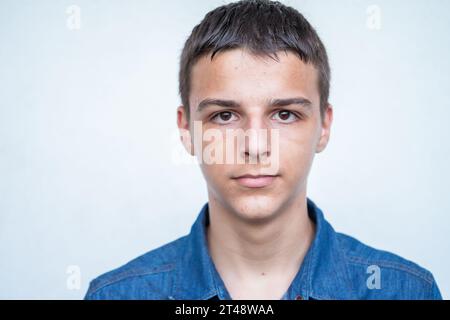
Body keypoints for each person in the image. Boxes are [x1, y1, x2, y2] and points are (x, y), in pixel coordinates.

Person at [85, 0, 442, 300]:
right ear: (186, 129)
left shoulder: (407, 291)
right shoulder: (117, 295)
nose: (255, 146)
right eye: (224, 116)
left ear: (324, 126)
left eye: (284, 115)